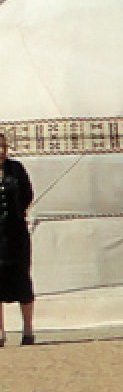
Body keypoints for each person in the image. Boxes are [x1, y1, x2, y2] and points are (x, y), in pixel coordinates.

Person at [0, 130, 37, 346]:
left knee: (22, 279)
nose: (1, 152)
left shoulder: (17, 169)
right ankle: (1, 332)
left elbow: (27, 195)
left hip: (16, 233)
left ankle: (28, 329)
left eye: (3, 147)